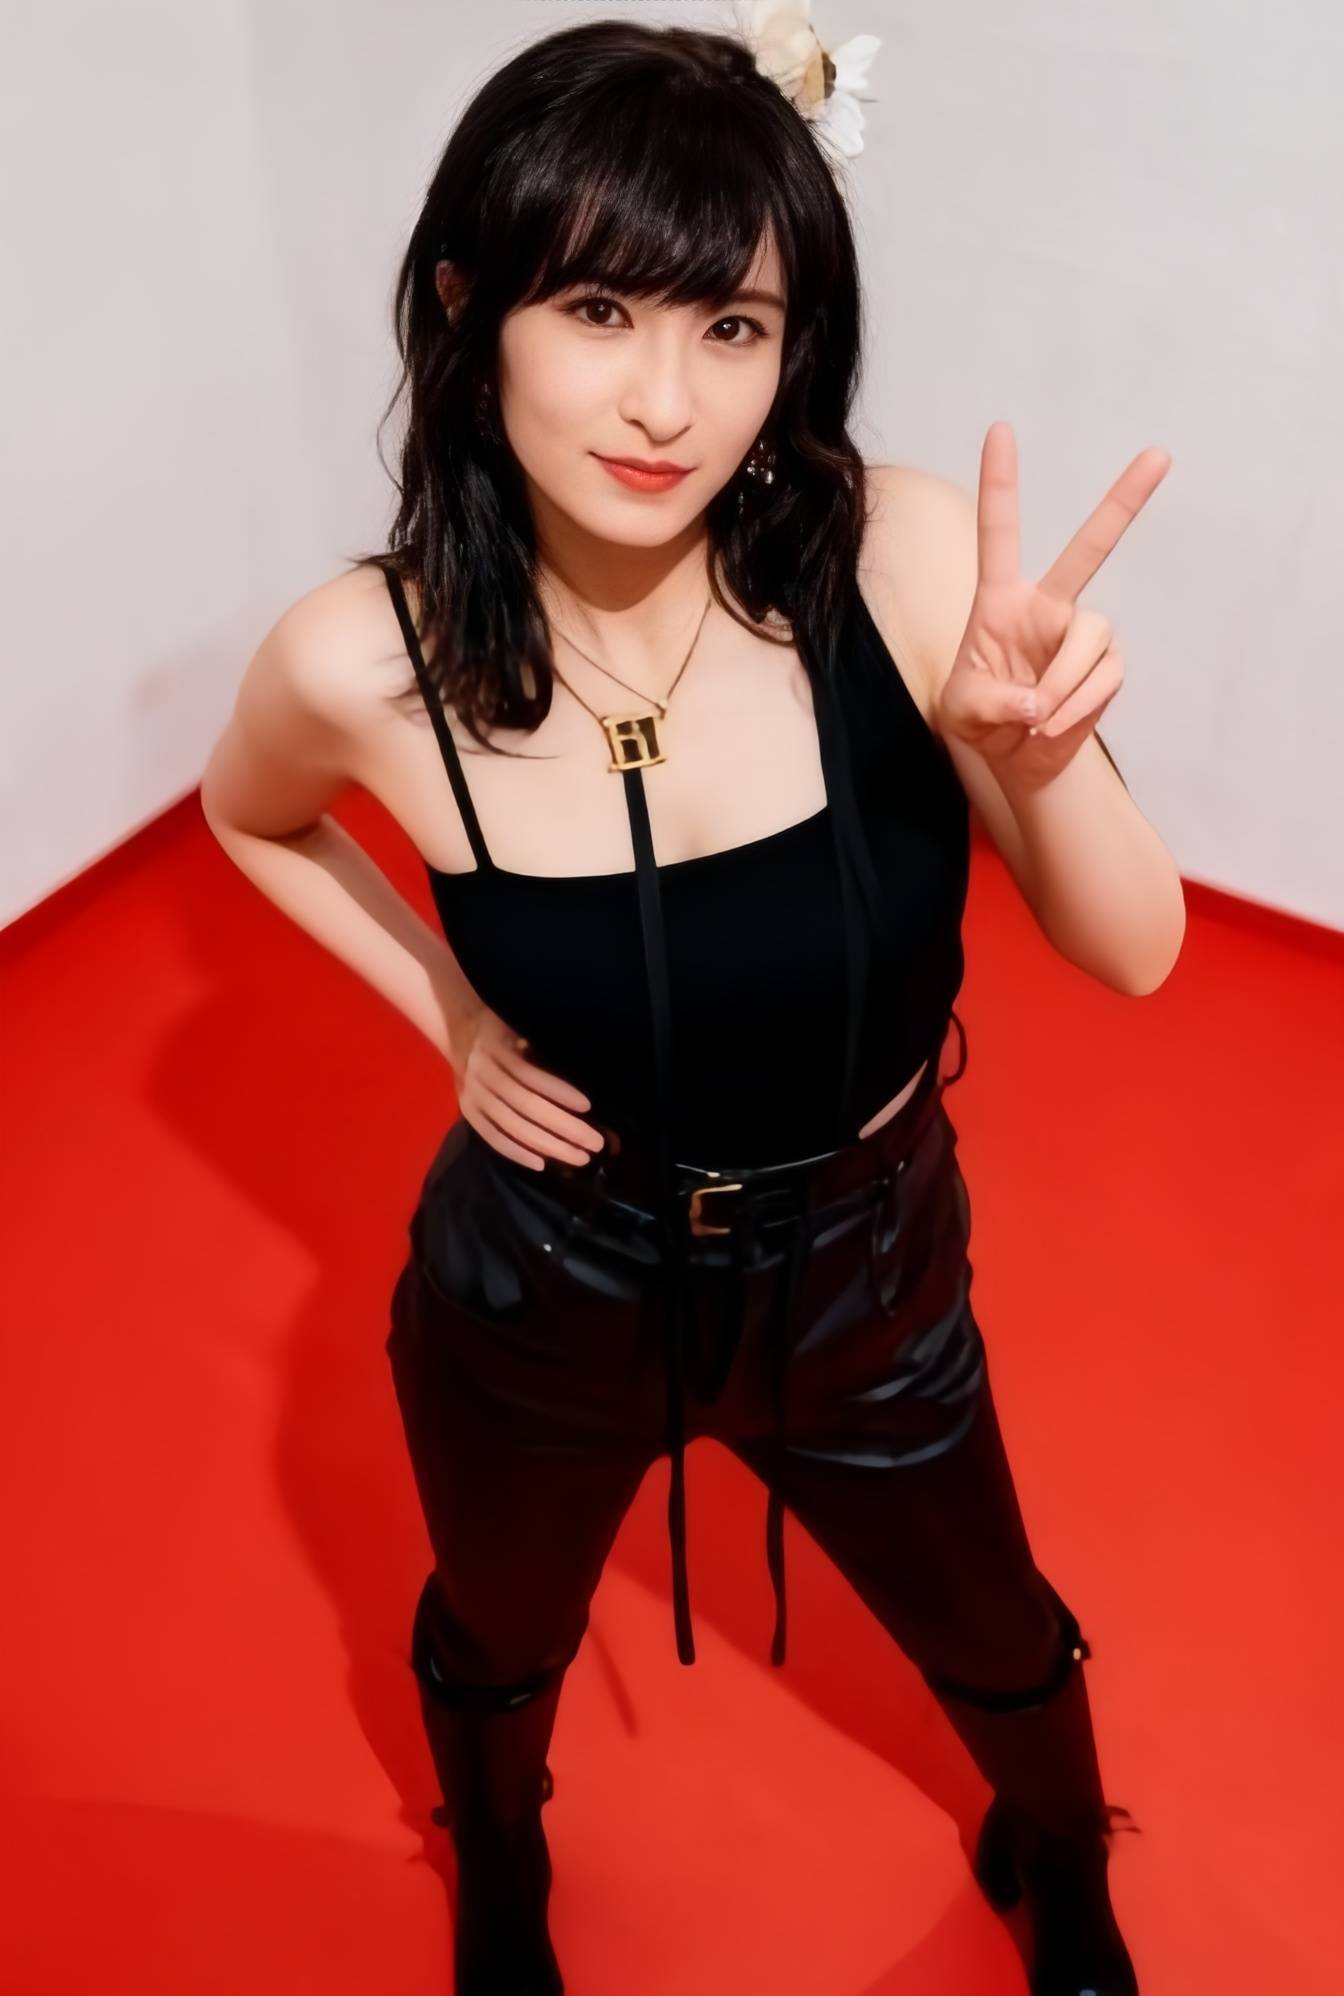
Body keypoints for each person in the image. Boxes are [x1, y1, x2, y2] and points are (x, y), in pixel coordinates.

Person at [202, 18, 1182, 1994]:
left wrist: (1038, 759)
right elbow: (252, 818)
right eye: (598, 309)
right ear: (470, 311)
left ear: (791, 347)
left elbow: (1139, 950)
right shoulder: (362, 660)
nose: (667, 400)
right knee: (500, 1637)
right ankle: (499, 1865)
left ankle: (1063, 1852)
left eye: (732, 325)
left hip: (868, 1264)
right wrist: (448, 1014)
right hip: (545, 1281)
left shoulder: (897, 557)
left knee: (997, 1623)